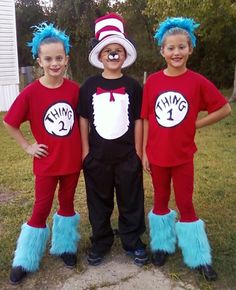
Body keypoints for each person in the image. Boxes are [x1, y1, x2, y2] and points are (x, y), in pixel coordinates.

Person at [141, 17, 231, 281]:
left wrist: (197, 123)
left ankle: (198, 255)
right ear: (162, 51)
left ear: (190, 49)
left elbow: (224, 108)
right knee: (159, 200)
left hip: (182, 156)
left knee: (185, 202)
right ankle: (162, 245)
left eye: (182, 47)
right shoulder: (154, 82)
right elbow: (146, 118)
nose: (176, 52)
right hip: (157, 155)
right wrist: (145, 151)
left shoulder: (197, 81)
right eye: (171, 48)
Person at [3, 23, 82, 284]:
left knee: (67, 205)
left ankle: (65, 247)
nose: (55, 63)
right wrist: (28, 146)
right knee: (41, 208)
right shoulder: (30, 93)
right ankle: (25, 258)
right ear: (39, 60)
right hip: (46, 164)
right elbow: (10, 122)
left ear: (66, 59)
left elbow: (84, 122)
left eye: (59, 58)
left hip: (72, 162)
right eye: (48, 58)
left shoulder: (74, 90)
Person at [78, 12, 148, 266]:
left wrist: (139, 152)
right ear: (100, 55)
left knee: (131, 199)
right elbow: (83, 119)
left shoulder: (132, 86)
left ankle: (132, 239)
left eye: (118, 50)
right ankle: (101, 240)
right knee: (99, 201)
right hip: (97, 157)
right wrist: (86, 151)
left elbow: (139, 119)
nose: (114, 54)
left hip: (128, 155)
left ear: (125, 55)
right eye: (109, 50)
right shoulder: (88, 86)